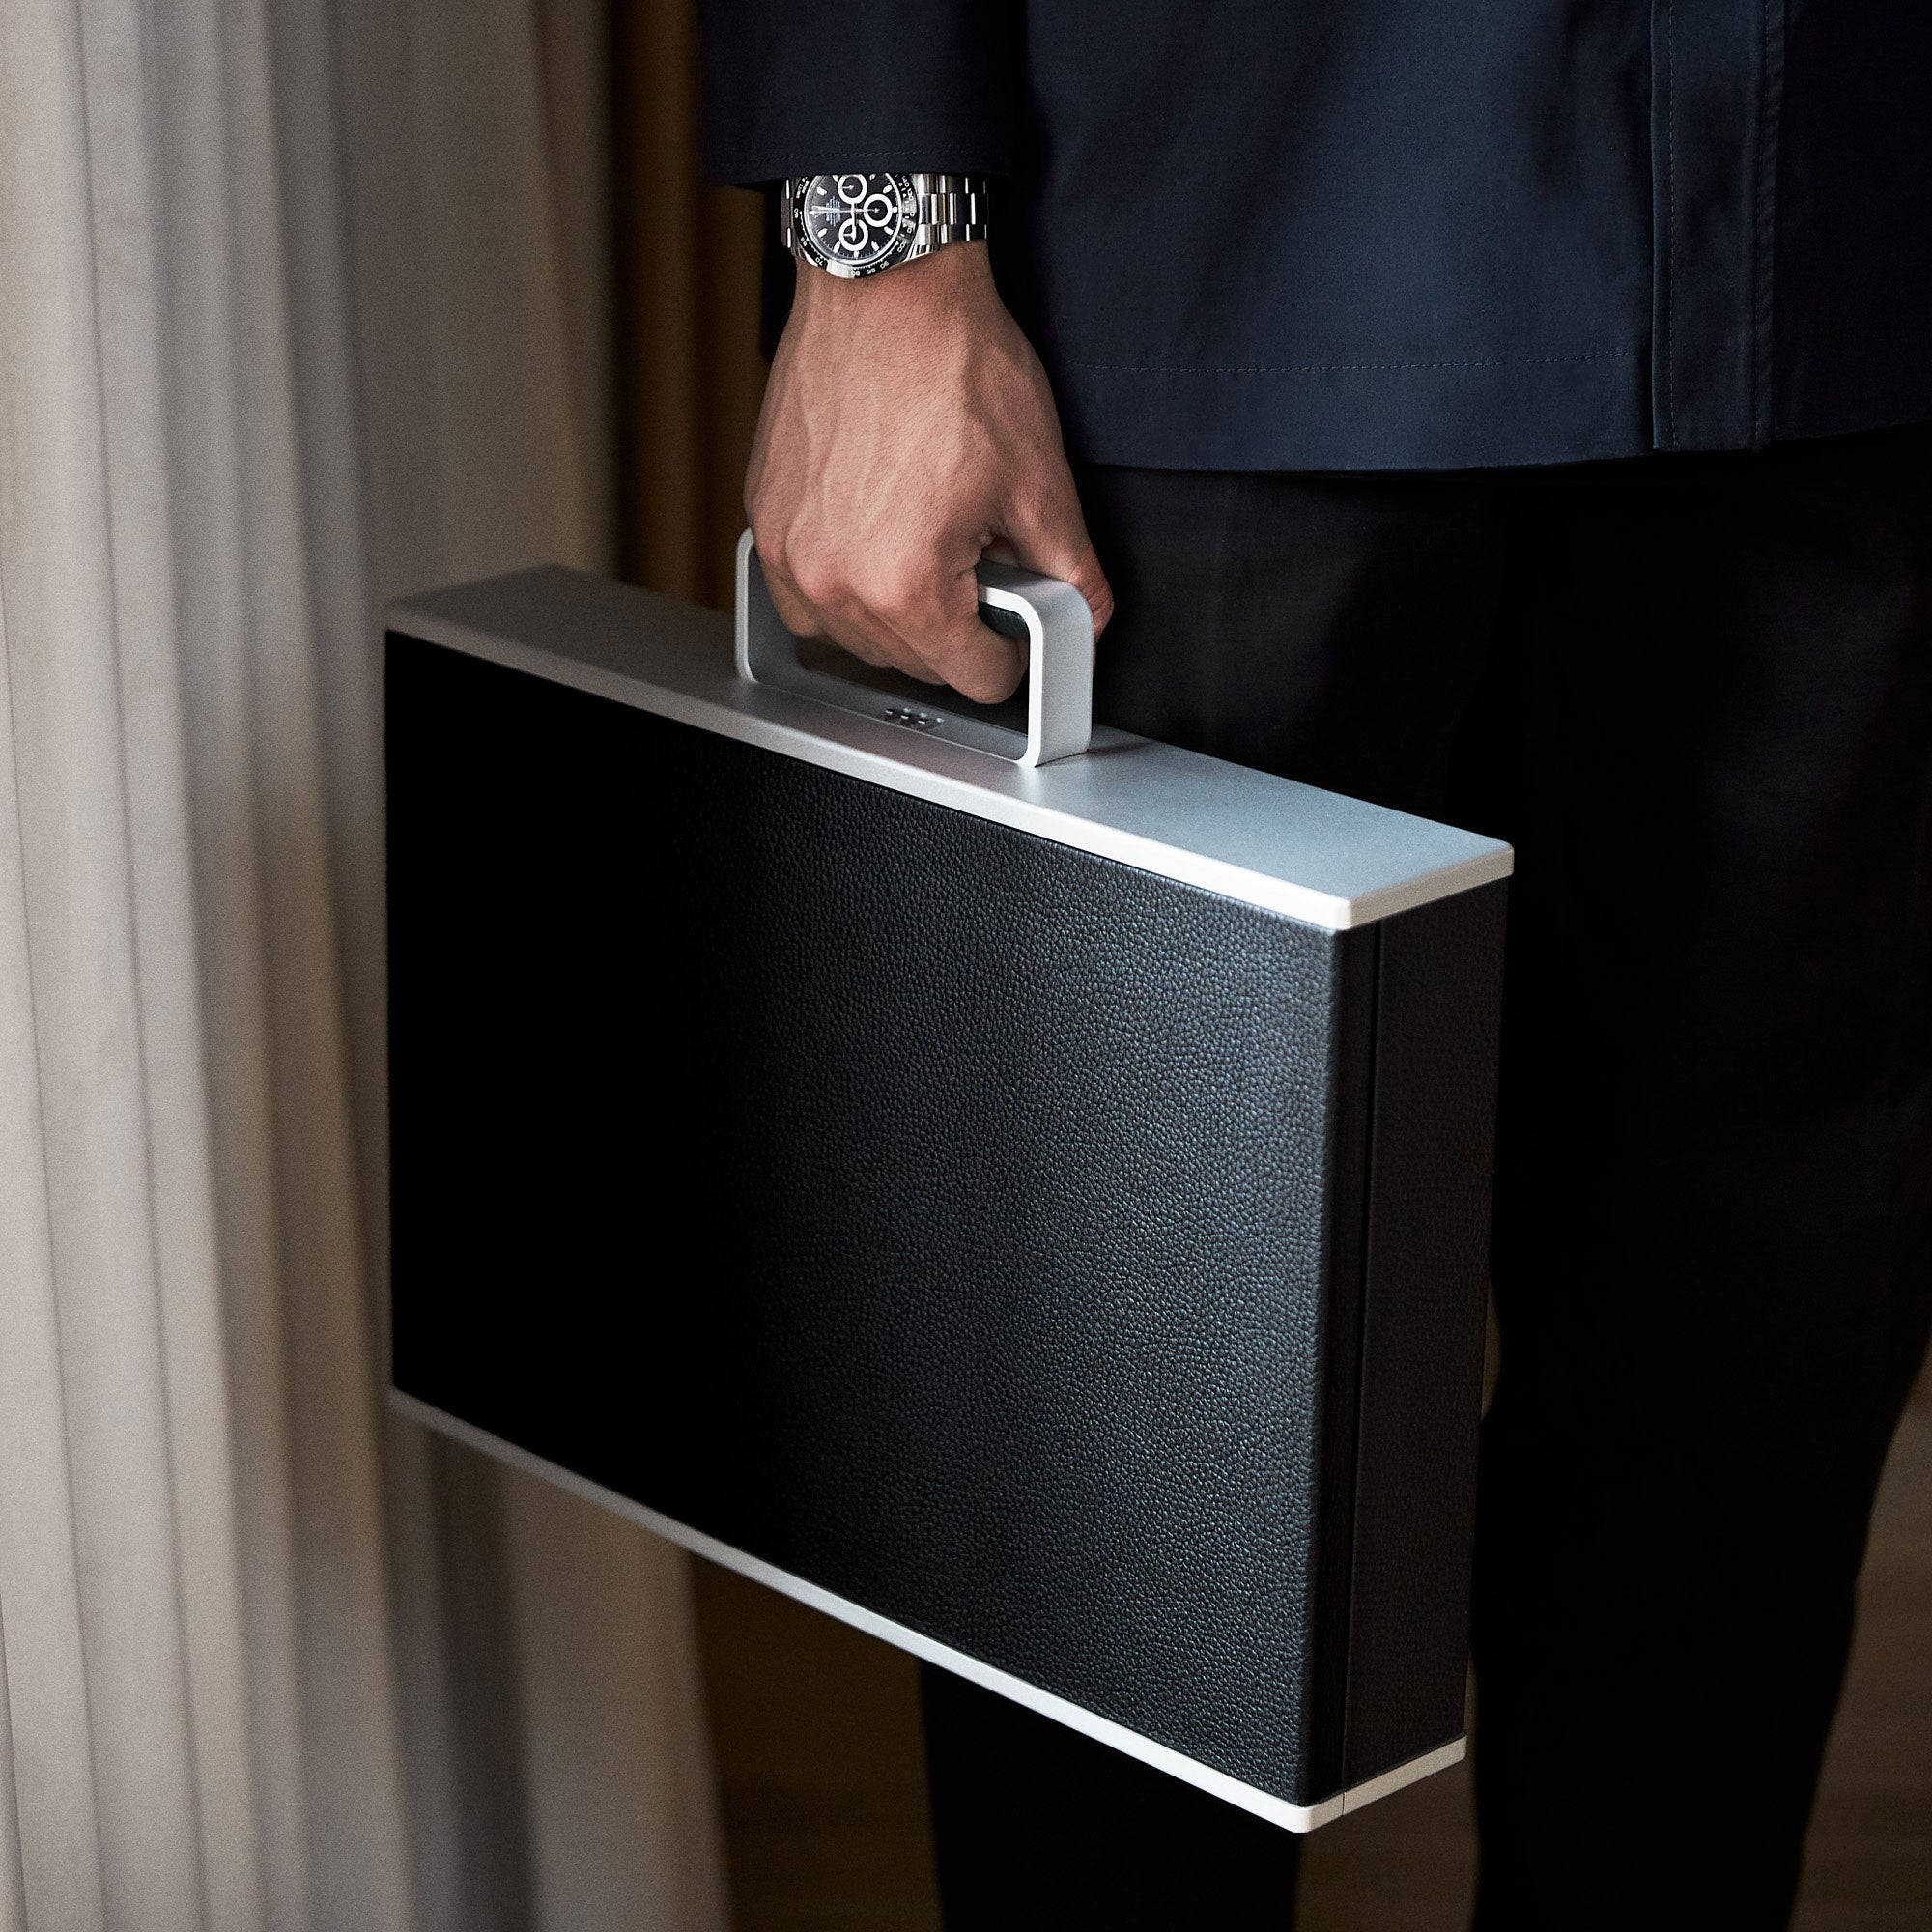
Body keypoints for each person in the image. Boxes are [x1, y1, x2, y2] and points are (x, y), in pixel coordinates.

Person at [696, 7, 1932, 1925]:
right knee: (1121, 1457)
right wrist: (878, 231)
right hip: (1211, 244)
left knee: (1746, 1386)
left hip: (1850, 263)